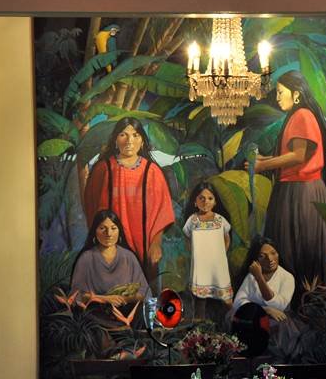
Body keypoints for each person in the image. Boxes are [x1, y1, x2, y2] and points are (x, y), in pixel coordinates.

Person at [247, 71, 326, 293]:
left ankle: (300, 299)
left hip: (301, 191)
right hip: (295, 188)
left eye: (280, 92)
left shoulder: (302, 115)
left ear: (296, 94)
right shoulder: (297, 116)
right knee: (290, 246)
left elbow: (298, 156)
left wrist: (262, 166)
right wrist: (263, 160)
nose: (277, 97)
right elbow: (292, 154)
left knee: (297, 247)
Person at [82, 117, 175, 286]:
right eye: (123, 135)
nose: (129, 140)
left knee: (143, 292)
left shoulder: (152, 171)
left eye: (135, 135)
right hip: (110, 246)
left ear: (142, 141)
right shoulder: (103, 169)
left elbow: (163, 211)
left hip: (144, 245)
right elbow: (91, 208)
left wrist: (156, 244)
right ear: (115, 140)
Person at [70, 209, 150, 306]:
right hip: (94, 311)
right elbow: (76, 295)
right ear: (95, 231)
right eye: (102, 228)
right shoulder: (86, 258)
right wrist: (105, 299)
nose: (108, 233)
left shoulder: (129, 257)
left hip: (126, 310)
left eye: (113, 228)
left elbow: (145, 292)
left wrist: (123, 299)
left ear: (119, 231)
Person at [183, 181, 232, 319]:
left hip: (218, 266)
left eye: (210, 198)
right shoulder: (192, 220)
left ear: (215, 201)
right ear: (195, 201)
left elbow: (226, 239)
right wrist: (196, 254)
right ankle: (199, 326)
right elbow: (187, 238)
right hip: (200, 267)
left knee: (226, 299)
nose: (206, 202)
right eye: (201, 198)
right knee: (200, 300)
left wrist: (220, 255)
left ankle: (231, 322)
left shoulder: (220, 220)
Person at [231, 237, 294, 322]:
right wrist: (265, 310)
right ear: (256, 260)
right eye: (262, 256)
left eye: (273, 253)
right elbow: (238, 302)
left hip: (278, 320)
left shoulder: (287, 277)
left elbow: (279, 306)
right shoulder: (251, 276)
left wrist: (259, 278)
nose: (270, 259)